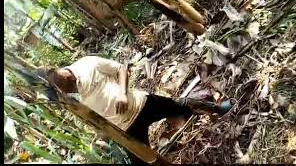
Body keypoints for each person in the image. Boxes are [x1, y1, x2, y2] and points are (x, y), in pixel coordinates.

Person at [38, 56, 233, 163]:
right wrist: (101, 134)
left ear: (60, 71)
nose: (67, 88)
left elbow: (120, 68)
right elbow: (90, 119)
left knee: (181, 105)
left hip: (141, 104)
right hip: (125, 130)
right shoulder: (65, 99)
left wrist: (123, 94)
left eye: (65, 83)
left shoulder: (86, 64)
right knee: (143, 162)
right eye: (61, 88)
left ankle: (219, 108)